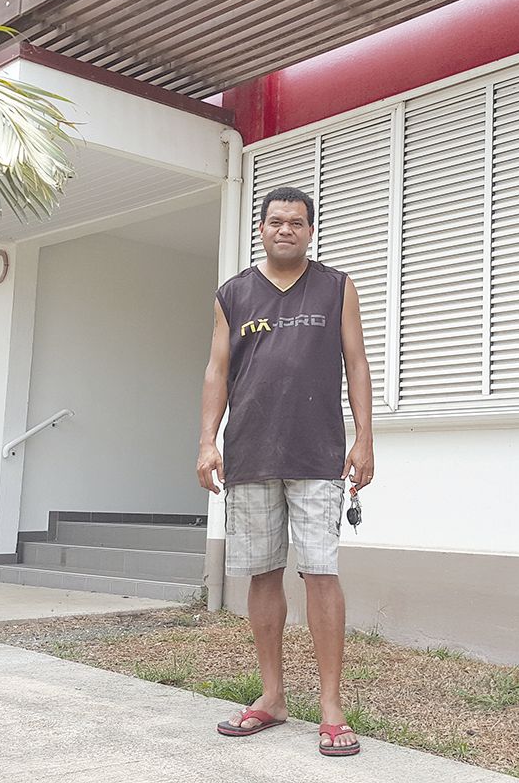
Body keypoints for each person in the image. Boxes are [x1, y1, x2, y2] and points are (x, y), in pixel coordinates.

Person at [197, 186, 375, 757]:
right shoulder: (233, 294)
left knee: (321, 572)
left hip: (318, 454)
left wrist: (365, 438)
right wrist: (207, 441)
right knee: (263, 574)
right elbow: (216, 372)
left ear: (310, 230)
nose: (285, 230)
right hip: (249, 454)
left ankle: (330, 706)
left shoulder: (336, 286)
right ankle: (272, 696)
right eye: (276, 222)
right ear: (262, 229)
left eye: (297, 223)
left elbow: (357, 362)